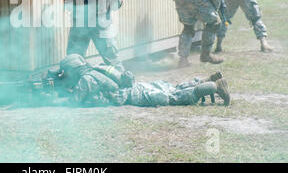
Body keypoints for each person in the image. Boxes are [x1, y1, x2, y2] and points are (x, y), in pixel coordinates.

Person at [50, 54, 230, 107]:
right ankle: (206, 80)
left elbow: (74, 102)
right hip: (139, 86)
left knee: (172, 98)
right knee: (173, 88)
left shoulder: (86, 79)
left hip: (137, 94)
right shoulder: (97, 67)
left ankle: (213, 86)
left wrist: (56, 97)